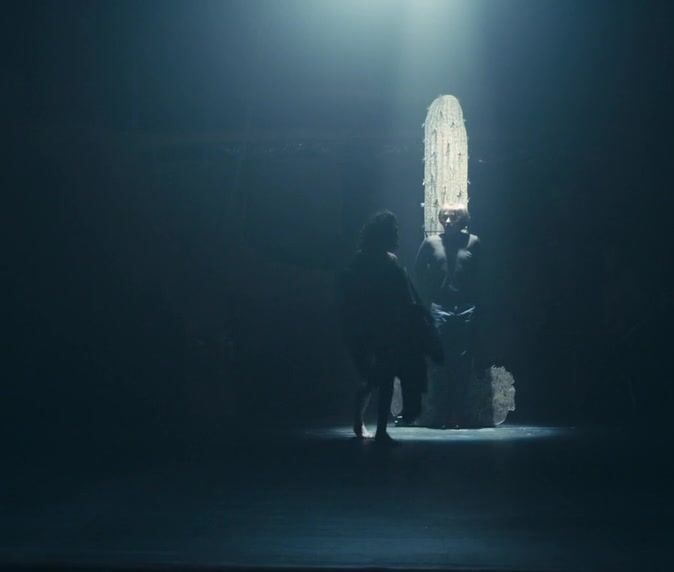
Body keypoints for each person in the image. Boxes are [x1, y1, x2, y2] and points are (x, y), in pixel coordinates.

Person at [338, 211, 428, 444]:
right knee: (371, 378)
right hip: (366, 326)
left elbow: (402, 293)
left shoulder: (390, 260)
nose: (397, 235)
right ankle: (360, 420)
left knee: (385, 377)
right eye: (393, 231)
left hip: (388, 326)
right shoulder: (362, 261)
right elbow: (352, 294)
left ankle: (380, 430)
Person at [414, 203, 480, 428]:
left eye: (453, 217)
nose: (448, 222)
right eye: (445, 217)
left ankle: (457, 414)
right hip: (440, 307)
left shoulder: (473, 242)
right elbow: (418, 272)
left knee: (462, 362)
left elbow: (484, 274)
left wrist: (475, 300)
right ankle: (441, 414)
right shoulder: (431, 243)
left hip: (466, 308)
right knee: (440, 362)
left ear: (463, 220)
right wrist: (429, 297)